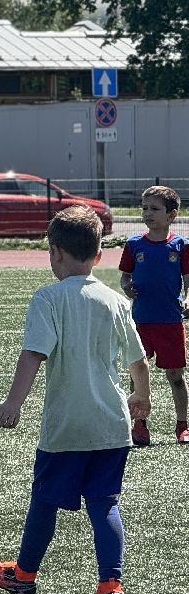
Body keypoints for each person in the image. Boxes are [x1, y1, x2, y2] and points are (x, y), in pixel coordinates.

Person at [0, 205, 151, 594]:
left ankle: (23, 577)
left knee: (43, 500)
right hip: (112, 424)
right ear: (98, 255)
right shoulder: (114, 300)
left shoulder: (49, 298)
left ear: (55, 252)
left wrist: (13, 402)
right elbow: (138, 361)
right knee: (105, 503)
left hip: (66, 426)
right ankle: (111, 585)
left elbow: (33, 354)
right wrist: (141, 397)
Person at [117, 184, 189, 445]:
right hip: (141, 322)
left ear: (171, 215)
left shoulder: (181, 245)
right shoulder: (134, 244)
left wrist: (188, 300)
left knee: (176, 377)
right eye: (144, 208)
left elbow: (187, 280)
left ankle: (182, 425)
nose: (148, 213)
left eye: (154, 209)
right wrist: (127, 287)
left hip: (170, 321)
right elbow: (125, 277)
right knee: (138, 375)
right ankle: (139, 426)